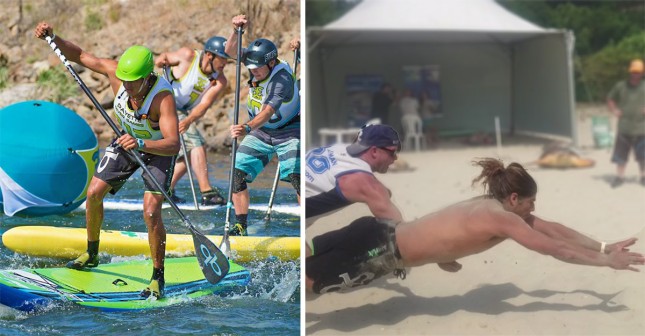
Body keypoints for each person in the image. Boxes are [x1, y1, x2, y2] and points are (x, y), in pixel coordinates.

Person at [306, 158, 645, 294]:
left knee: (303, 261)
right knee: (307, 286)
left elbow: (553, 230)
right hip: (378, 250)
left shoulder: (486, 205)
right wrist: (606, 263)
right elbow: (554, 248)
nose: (533, 209)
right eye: (530, 203)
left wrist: (603, 246)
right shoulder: (501, 218)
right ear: (514, 199)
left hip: (374, 230)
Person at [35, 22, 179, 299]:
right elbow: (81, 56)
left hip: (157, 149)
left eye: (133, 81)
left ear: (148, 77)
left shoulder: (163, 98)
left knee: (150, 211)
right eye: (124, 79)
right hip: (126, 140)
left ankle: (157, 277)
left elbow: (173, 143)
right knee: (94, 193)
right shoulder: (118, 74)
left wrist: (141, 143)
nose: (126, 85)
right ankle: (91, 253)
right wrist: (53, 37)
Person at [224, 14, 300, 236]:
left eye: (257, 68)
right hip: (262, 132)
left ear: (272, 62)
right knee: (236, 174)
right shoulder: (257, 63)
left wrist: (246, 128)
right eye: (251, 67)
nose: (252, 71)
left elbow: (268, 111)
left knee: (297, 179)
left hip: (289, 131)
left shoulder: (282, 79)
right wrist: (235, 29)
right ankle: (240, 226)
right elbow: (230, 52)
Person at [155, 36, 230, 205]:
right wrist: (162, 62)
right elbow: (161, 58)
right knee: (197, 143)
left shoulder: (219, 81)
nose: (225, 64)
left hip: (182, 112)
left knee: (189, 153)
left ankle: (164, 190)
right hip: (163, 103)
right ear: (210, 56)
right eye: (222, 59)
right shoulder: (188, 56)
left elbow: (203, 106)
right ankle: (207, 193)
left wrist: (188, 121)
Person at [305, 123, 403, 225]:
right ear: (374, 151)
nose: (395, 158)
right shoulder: (362, 182)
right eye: (393, 152)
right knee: (371, 229)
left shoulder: (338, 149)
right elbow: (400, 228)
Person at [606, 59, 645, 188]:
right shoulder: (620, 86)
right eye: (633, 72)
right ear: (630, 72)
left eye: (638, 72)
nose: (635, 74)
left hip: (642, 128)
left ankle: (643, 177)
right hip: (624, 127)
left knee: (643, 156)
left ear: (642, 73)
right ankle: (619, 177)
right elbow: (610, 98)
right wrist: (614, 110)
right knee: (620, 156)